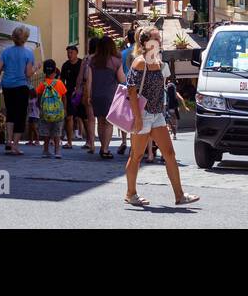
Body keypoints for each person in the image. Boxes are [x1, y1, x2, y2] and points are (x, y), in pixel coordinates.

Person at [123, 26, 198, 208]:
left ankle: (179, 195)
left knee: (170, 154)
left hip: (157, 114)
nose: (160, 41)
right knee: (137, 156)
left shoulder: (157, 61)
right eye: (156, 38)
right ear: (147, 42)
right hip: (144, 114)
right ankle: (130, 193)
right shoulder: (140, 62)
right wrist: (138, 117)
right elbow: (131, 90)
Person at [82, 35, 124, 159]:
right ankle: (105, 148)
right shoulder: (116, 61)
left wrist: (88, 95)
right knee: (109, 122)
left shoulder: (92, 61)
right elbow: (122, 79)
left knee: (100, 121)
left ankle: (102, 145)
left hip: (96, 94)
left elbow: (88, 80)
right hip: (110, 95)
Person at [0, 26, 35, 155]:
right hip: (21, 86)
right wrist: (36, 67)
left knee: (10, 113)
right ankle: (15, 145)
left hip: (7, 85)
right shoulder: (29, 53)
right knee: (20, 115)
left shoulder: (5, 51)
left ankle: (8, 141)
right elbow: (28, 73)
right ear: (25, 38)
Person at [35, 60, 67, 158]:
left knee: (46, 132)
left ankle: (45, 150)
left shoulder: (42, 84)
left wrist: (40, 106)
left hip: (45, 113)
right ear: (55, 70)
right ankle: (57, 151)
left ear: (44, 71)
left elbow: (38, 96)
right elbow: (64, 96)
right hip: (57, 113)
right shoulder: (59, 83)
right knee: (57, 132)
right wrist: (64, 108)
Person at [59, 44, 84, 148]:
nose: (69, 55)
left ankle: (89, 142)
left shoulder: (82, 64)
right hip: (68, 94)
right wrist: (63, 92)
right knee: (69, 117)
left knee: (84, 117)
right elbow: (61, 81)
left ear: (76, 53)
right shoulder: (65, 65)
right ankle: (69, 141)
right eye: (68, 53)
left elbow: (86, 78)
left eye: (71, 53)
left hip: (81, 93)